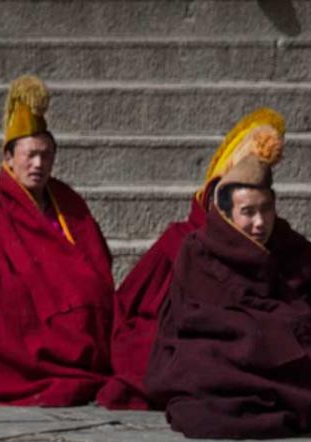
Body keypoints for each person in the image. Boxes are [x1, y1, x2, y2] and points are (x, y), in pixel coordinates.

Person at [143, 126, 311, 439]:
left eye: (266, 209)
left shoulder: (293, 247)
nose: (260, 222)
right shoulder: (197, 250)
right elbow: (190, 316)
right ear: (226, 213)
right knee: (203, 372)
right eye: (247, 212)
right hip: (227, 350)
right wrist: (256, 327)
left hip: (286, 347)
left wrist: (280, 324)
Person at [0, 76, 117, 406]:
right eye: (30, 155)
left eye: (46, 155)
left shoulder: (68, 201)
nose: (38, 164)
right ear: (8, 158)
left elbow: (94, 256)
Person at [99, 108, 285, 410]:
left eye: (259, 208)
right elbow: (134, 301)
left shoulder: (275, 240)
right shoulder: (180, 239)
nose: (257, 222)